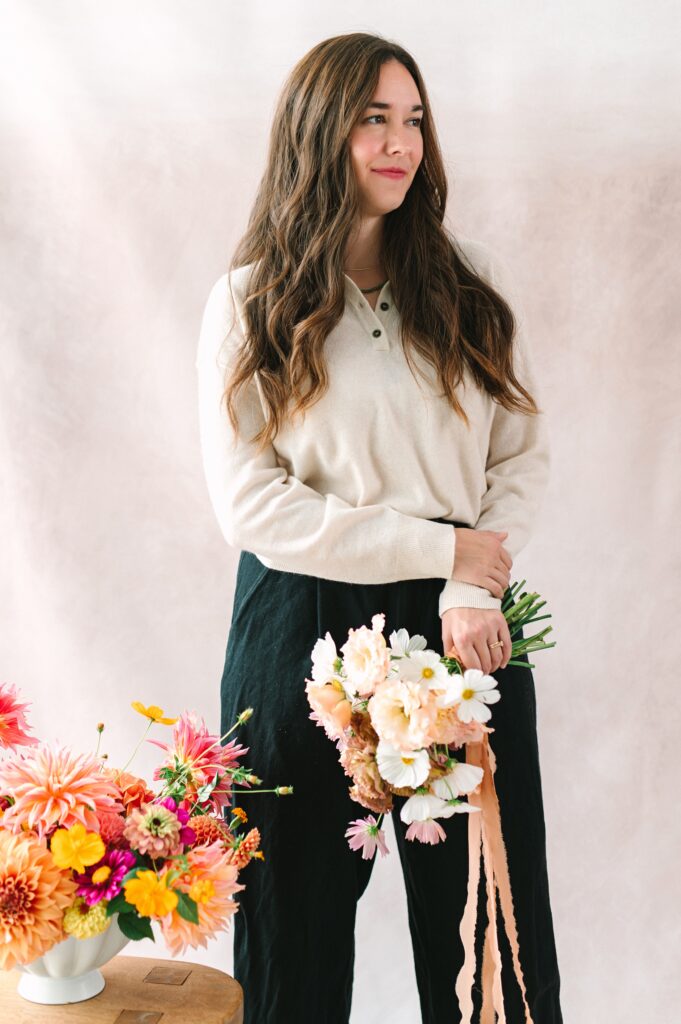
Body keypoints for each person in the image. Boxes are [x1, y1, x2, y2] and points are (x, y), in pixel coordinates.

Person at [195, 31, 563, 1024]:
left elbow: (518, 460)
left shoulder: (467, 284)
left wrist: (471, 582)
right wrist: (443, 546)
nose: (401, 142)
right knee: (290, 931)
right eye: (373, 119)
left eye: (413, 120)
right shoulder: (253, 300)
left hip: (460, 616)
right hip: (297, 620)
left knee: (490, 927)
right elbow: (253, 505)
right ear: (322, 131)